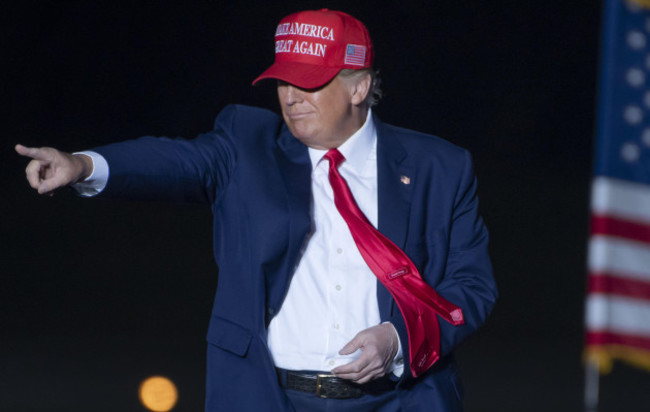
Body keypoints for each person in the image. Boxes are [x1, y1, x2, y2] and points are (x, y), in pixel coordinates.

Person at [16, 9, 497, 412]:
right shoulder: (247, 146)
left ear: (358, 87)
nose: (290, 97)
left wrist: (397, 339)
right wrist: (82, 164)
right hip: (269, 397)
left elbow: (471, 287)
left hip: (400, 399)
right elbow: (176, 161)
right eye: (283, 81)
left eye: (308, 82)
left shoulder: (440, 167)